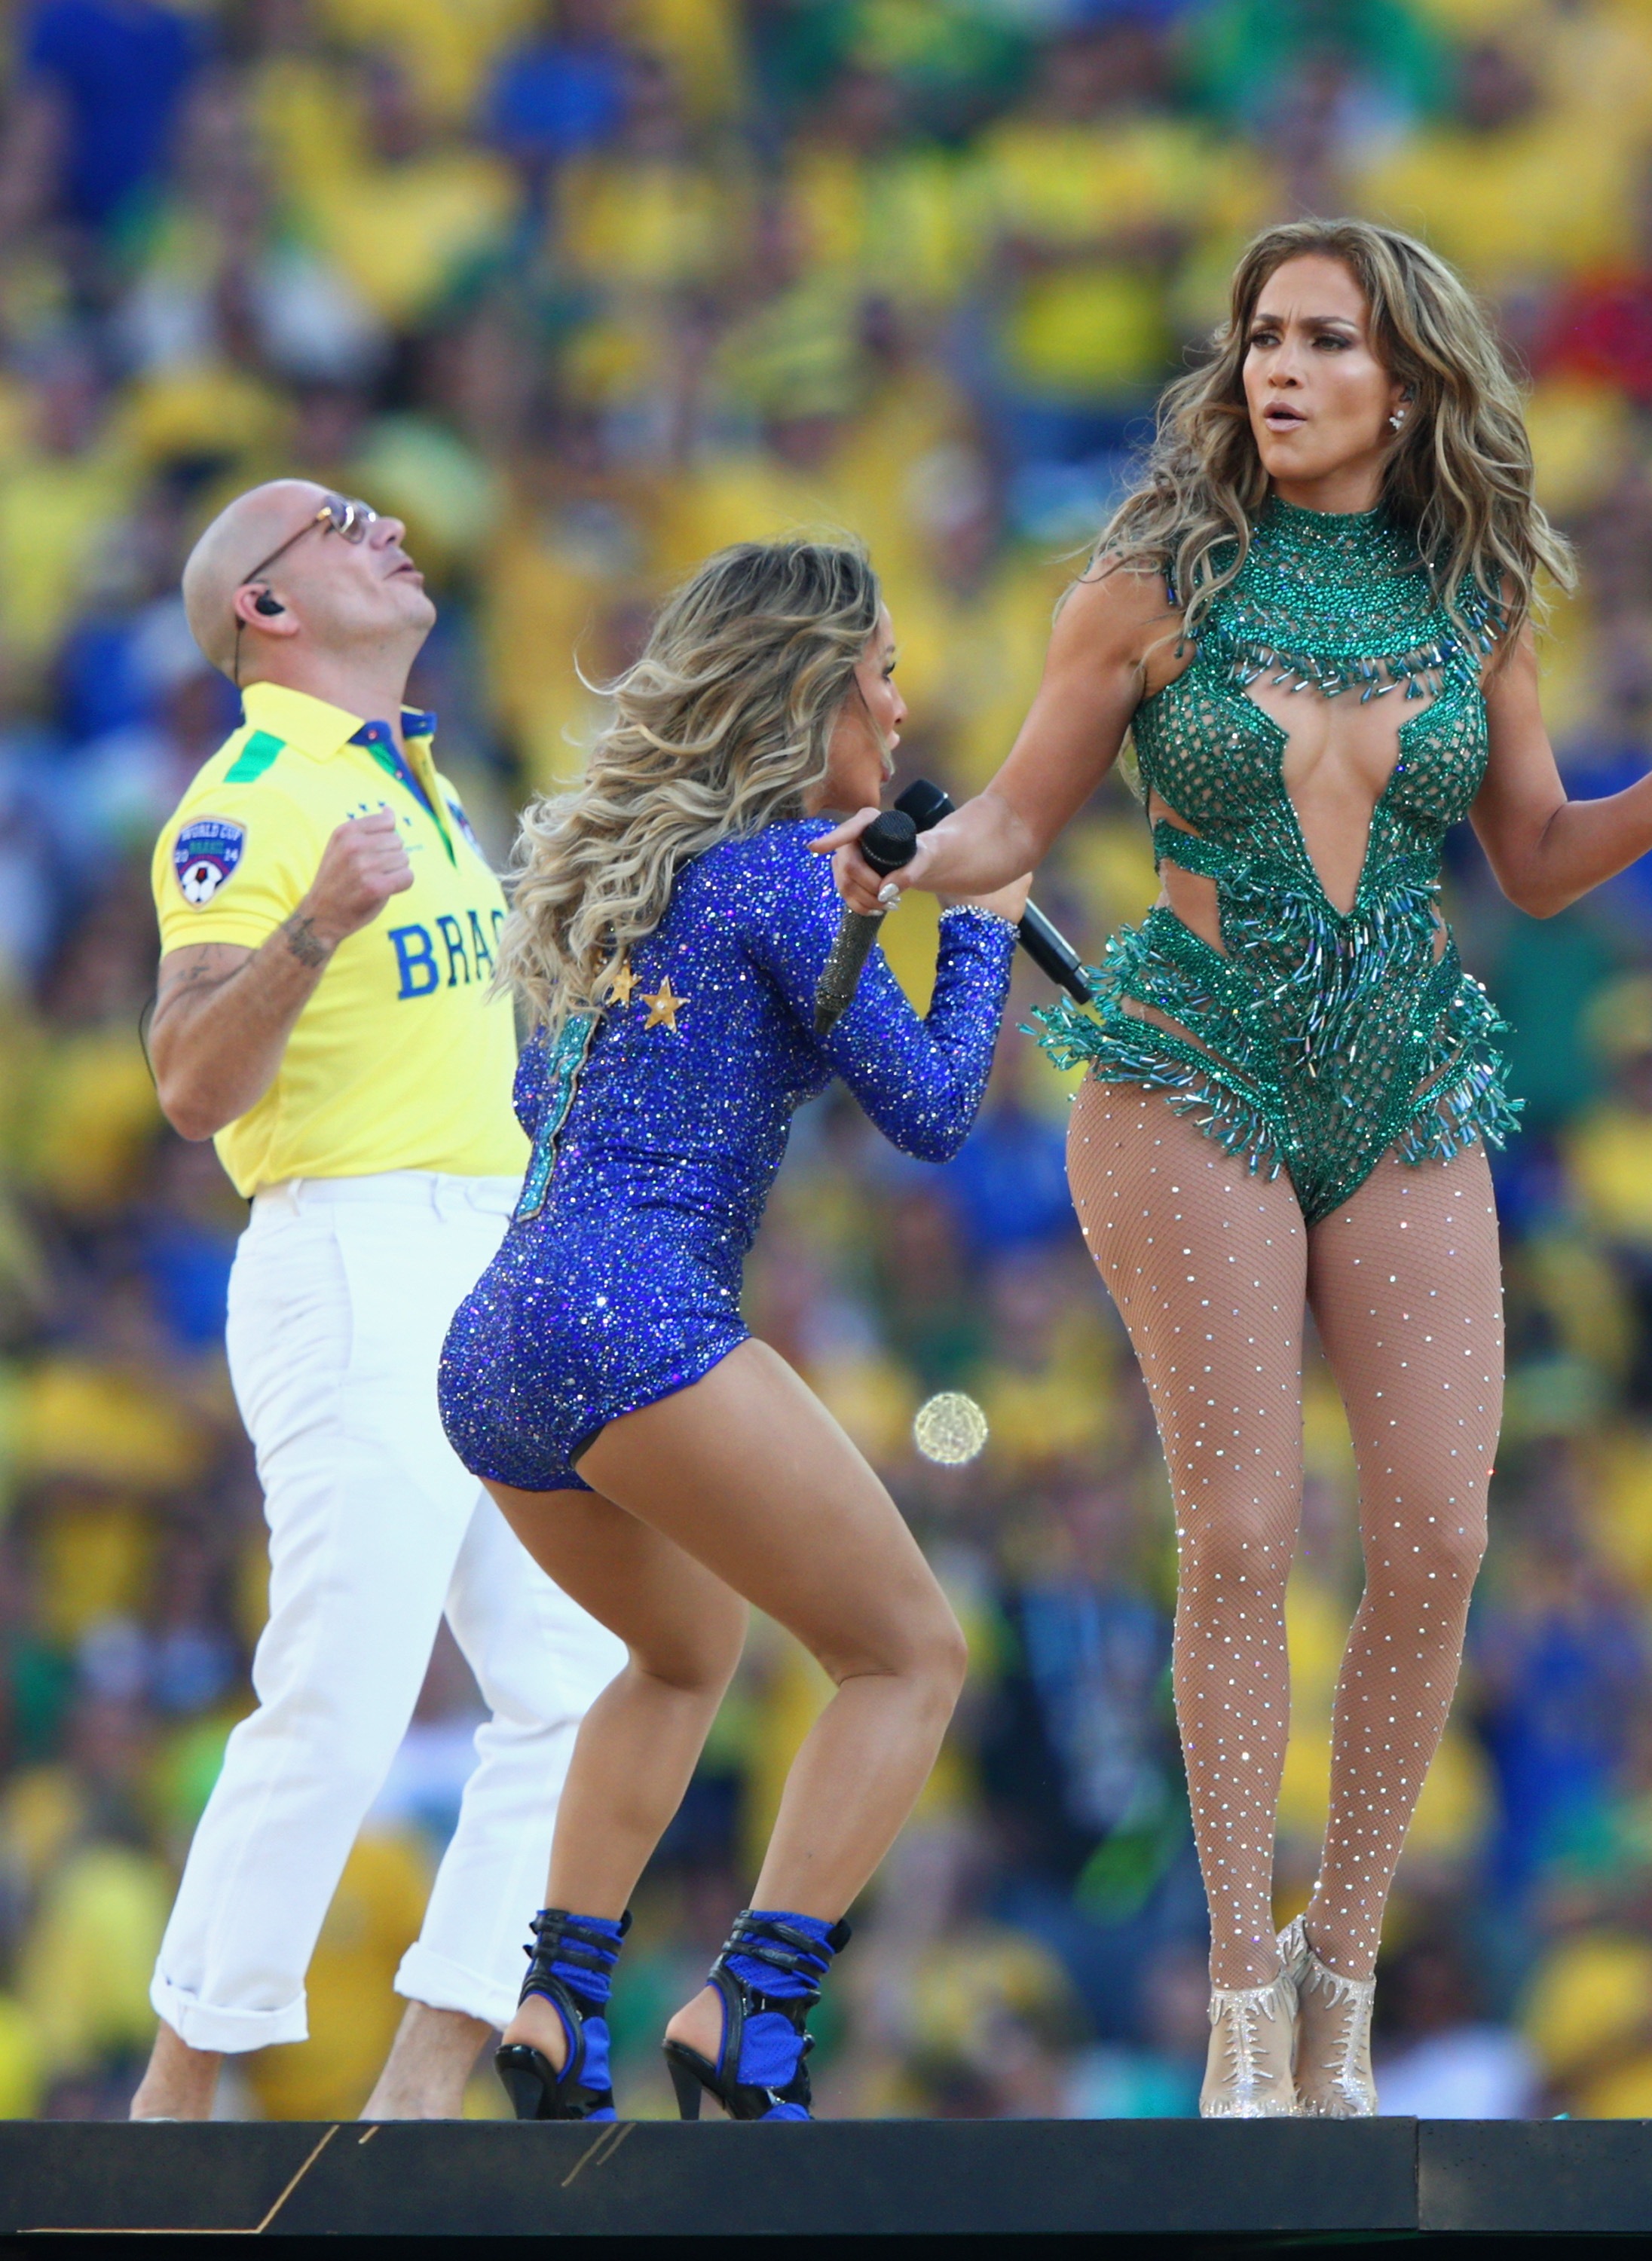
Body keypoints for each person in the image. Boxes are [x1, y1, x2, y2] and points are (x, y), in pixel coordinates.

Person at [821, 216, 1652, 2118]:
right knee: (1250, 1537)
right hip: (1197, 1060)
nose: (1280, 368)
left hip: (1408, 1073)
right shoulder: (1147, 585)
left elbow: (1529, 857)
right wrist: (897, 857)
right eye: (1261, 336)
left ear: (1405, 378)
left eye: (1325, 341)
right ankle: (1235, 2001)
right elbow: (1019, 816)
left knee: (1440, 1534)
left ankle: (1338, 1970)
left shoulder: (1475, 593)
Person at [438, 540, 1029, 2122]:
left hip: (497, 1342)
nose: (903, 715)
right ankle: (753, 2005)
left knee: (683, 1655)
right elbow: (934, 1111)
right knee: (908, 1656)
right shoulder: (777, 880)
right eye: (882, 675)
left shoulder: (593, 883)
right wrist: (974, 916)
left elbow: (544, 1097)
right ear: (807, 688)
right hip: (641, 1319)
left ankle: (562, 2004)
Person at [134, 480, 623, 2121]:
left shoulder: (412, 779)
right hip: (354, 1250)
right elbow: (190, 1081)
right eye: (342, 522)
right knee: (341, 1686)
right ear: (265, 609)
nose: (390, 528)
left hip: (485, 1252)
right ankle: (177, 2095)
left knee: (583, 1684)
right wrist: (311, 929)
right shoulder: (257, 795)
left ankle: (425, 2082)